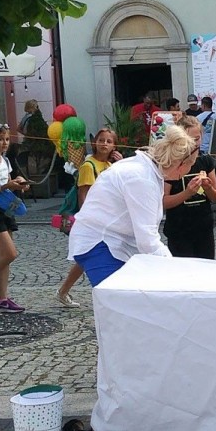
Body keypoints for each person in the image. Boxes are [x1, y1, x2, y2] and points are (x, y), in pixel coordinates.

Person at [67, 125, 198, 287]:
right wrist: (173, 269)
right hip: (100, 240)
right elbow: (147, 239)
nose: (191, 169)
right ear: (180, 164)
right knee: (118, 300)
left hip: (115, 240)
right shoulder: (143, 178)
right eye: (191, 164)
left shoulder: (146, 170)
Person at [56, 127, 122, 307]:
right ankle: (68, 292)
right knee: (89, 256)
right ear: (95, 142)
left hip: (108, 218)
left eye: (109, 141)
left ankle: (63, 291)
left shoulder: (110, 166)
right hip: (95, 221)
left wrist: (121, 165)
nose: (104, 144)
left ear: (114, 145)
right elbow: (83, 194)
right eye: (101, 140)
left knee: (86, 258)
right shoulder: (88, 165)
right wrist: (89, 220)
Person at [163, 116, 216, 259]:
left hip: (203, 227)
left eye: (197, 139)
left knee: (206, 270)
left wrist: (208, 188)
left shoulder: (205, 160)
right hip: (179, 229)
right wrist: (188, 192)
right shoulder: (171, 162)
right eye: (190, 140)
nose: (194, 144)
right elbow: (163, 201)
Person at [0, 124, 31, 313]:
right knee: (10, 253)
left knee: (5, 257)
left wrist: (18, 184)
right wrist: (6, 187)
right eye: (0, 139)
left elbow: (8, 184)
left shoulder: (5, 161)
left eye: (7, 139)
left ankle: (2, 298)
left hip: (6, 208)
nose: (4, 143)